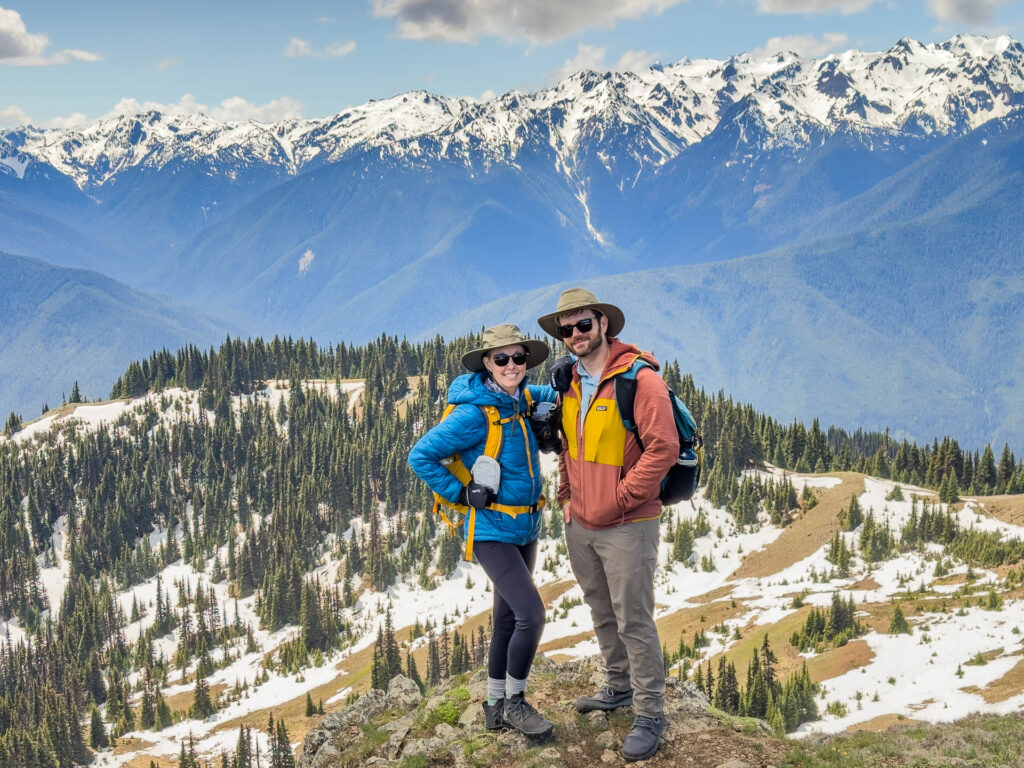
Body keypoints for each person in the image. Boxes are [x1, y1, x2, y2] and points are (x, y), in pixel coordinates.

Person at [537, 288, 678, 762]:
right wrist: (567, 497)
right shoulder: (570, 382)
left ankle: (649, 713)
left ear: (603, 324)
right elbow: (568, 446)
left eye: (583, 325)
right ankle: (618, 687)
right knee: (601, 609)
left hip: (626, 525)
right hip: (581, 523)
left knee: (633, 618)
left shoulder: (639, 380)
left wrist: (620, 499)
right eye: (566, 328)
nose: (575, 335)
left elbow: (663, 448)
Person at [408, 324, 558, 737]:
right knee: (532, 615)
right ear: (488, 365)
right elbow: (420, 456)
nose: (512, 365)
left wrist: (569, 380)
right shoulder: (474, 413)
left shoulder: (524, 398)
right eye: (502, 359)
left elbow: (561, 396)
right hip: (492, 529)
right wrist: (460, 493)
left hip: (526, 527)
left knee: (507, 619)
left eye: (519, 358)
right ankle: (516, 703)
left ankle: (494, 705)